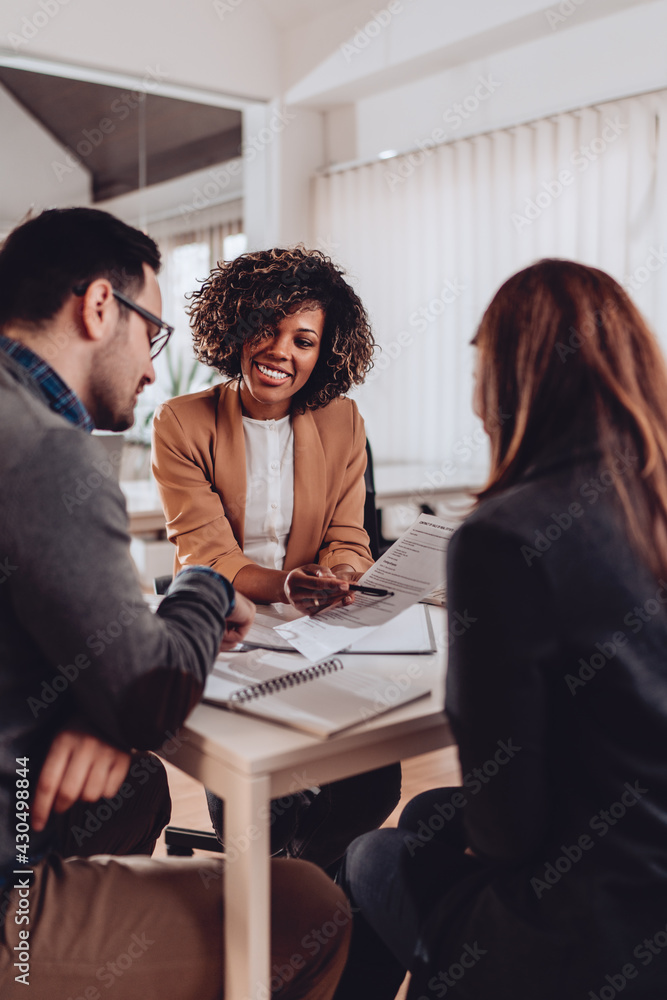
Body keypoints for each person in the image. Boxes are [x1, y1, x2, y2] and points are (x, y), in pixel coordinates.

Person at [0, 208, 351, 1000]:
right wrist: (203, 586)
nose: (155, 368)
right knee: (313, 907)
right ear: (98, 308)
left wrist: (98, 700)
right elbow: (146, 692)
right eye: (151, 333)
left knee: (137, 789)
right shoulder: (48, 451)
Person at [332, 259, 667, 1000]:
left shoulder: (504, 538)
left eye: (479, 372)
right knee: (423, 812)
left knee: (367, 857)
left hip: (597, 935)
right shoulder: (651, 506)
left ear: (510, 385)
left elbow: (506, 828)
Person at [152, 247, 401, 870]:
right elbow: (207, 555)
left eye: (304, 339)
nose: (281, 351)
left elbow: (349, 536)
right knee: (252, 789)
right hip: (226, 623)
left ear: (324, 352)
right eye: (267, 326)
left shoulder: (343, 421)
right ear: (236, 325)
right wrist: (288, 584)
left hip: (317, 625)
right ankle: (268, 884)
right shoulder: (182, 422)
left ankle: (295, 881)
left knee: (373, 778)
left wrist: (340, 576)